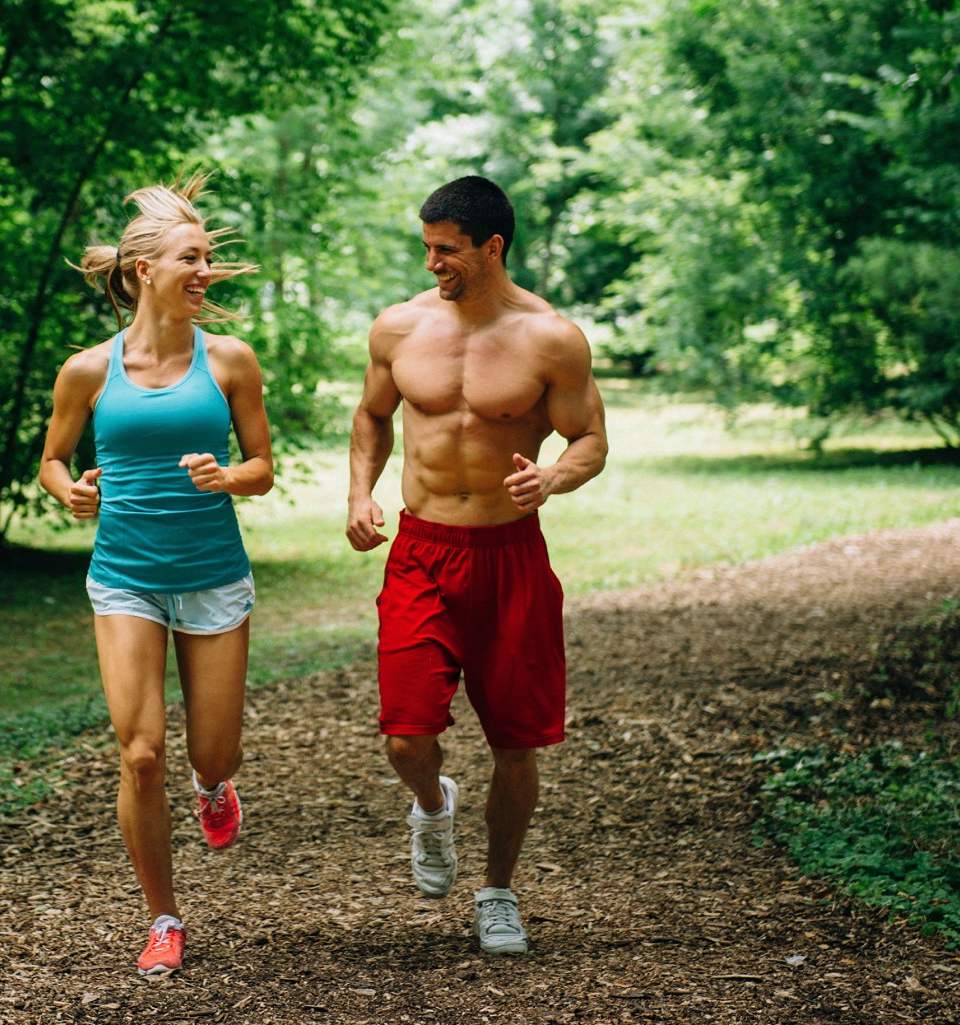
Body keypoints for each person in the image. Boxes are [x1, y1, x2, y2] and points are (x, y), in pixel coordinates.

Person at [346, 175, 607, 956]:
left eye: (446, 250)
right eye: (426, 248)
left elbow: (589, 438)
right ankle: (431, 804)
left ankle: (497, 890)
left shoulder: (550, 338)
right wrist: (360, 493)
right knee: (403, 734)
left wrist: (552, 476)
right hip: (421, 551)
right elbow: (371, 414)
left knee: (514, 741)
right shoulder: (397, 328)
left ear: (492, 247)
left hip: (508, 556)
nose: (431, 264)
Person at [40, 173, 273, 977]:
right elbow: (53, 458)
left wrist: (227, 478)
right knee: (140, 754)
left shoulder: (232, 361)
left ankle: (215, 788)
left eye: (207, 256)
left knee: (212, 752)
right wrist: (68, 489)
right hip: (125, 577)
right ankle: (163, 917)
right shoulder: (87, 369)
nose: (204, 270)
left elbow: (264, 467)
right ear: (145, 270)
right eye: (191, 257)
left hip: (212, 575)